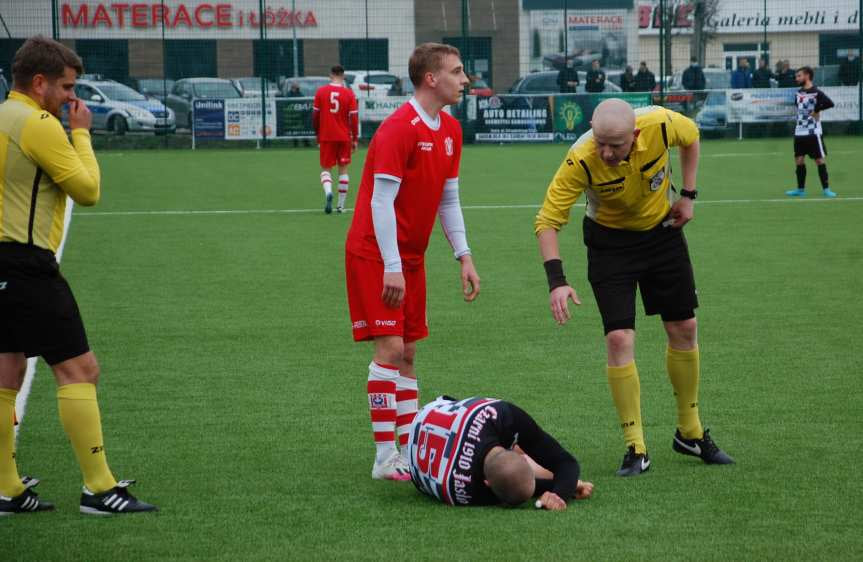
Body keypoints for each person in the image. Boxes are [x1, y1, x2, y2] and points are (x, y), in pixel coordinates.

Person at [534, 99, 735, 477]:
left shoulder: (661, 124)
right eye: (600, 143)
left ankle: (689, 432)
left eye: (616, 145)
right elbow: (547, 220)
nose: (606, 153)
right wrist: (556, 282)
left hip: (662, 234)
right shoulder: (580, 158)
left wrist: (688, 196)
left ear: (636, 136)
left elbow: (691, 138)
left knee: (684, 328)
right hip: (610, 246)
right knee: (619, 339)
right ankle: (635, 446)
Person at [0, 36, 156, 516]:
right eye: (67, 87)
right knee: (79, 369)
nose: (72, 97)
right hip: (26, 264)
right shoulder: (38, 122)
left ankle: (6, 488)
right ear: (40, 82)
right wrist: (82, 133)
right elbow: (87, 190)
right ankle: (98, 488)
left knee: (8, 367)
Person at [345, 43, 481, 481]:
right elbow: (381, 203)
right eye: (457, 72)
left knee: (408, 352)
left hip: (410, 259)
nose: (465, 80)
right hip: (375, 253)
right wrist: (390, 265)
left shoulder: (451, 130)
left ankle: (409, 450)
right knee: (388, 349)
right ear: (431, 79)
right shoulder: (398, 129)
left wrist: (464, 256)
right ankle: (385, 457)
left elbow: (449, 198)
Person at [407, 396, 594, 510]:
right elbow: (565, 463)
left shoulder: (499, 415)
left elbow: (521, 483)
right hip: (416, 437)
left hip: (429, 412)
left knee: (513, 474)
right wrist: (561, 491)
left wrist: (561, 491)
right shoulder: (469, 494)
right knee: (520, 474)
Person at [313, 65, 359, 214]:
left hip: (326, 136)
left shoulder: (321, 92)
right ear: (343, 76)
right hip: (344, 136)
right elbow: (353, 117)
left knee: (326, 169)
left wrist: (317, 133)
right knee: (343, 170)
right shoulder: (349, 94)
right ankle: (340, 206)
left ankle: (328, 193)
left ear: (330, 75)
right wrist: (355, 138)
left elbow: (315, 116)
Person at [785, 66, 837, 198]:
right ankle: (800, 190)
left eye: (799, 76)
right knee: (799, 160)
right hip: (799, 132)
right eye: (796, 76)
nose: (797, 79)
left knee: (819, 160)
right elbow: (799, 109)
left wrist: (817, 110)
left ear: (807, 76)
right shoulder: (798, 93)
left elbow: (830, 103)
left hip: (813, 132)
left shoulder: (816, 92)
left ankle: (826, 189)